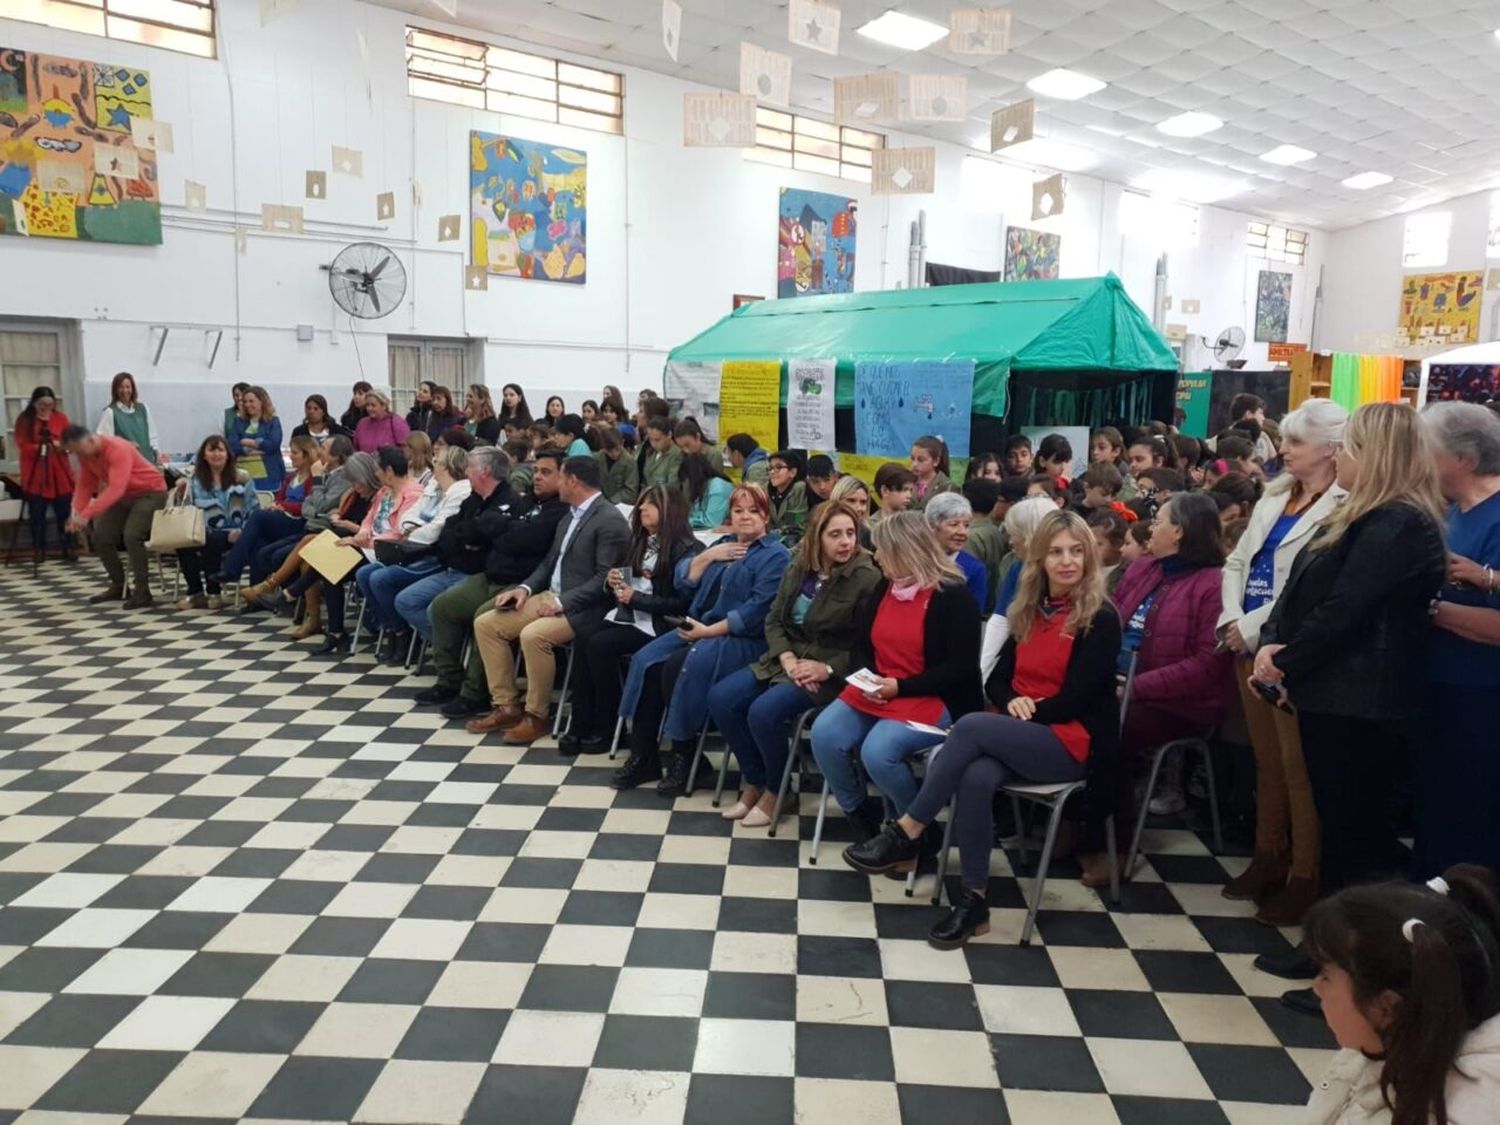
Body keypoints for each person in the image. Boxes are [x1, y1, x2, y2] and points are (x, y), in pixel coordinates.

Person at [844, 510, 1122, 947]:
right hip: (1019, 729)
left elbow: (1081, 698)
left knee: (971, 725)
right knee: (975, 776)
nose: (1067, 561)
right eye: (1055, 552)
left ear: (1089, 556)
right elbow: (995, 678)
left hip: (1071, 741)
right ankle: (974, 902)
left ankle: (909, 829)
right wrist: (1011, 699)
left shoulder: (1100, 617)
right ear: (1039, 560)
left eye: (1076, 551)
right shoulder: (1031, 608)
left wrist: (1018, 712)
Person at [1254, 403, 1447, 1012]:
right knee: (1341, 834)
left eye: (1351, 448)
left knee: (1359, 842)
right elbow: (1304, 590)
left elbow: (1346, 610)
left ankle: (1361, 974)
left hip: (1366, 703)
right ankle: (1327, 952)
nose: (1341, 458)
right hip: (1337, 695)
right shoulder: (1363, 514)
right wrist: (1275, 645)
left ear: (1380, 455)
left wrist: (1286, 661)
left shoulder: (1399, 523)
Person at [1216, 398, 1347, 926]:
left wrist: (1248, 630)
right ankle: (1267, 855)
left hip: (1287, 647)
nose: (1283, 450)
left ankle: (1303, 873)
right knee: (1265, 759)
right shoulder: (1275, 495)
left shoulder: (1343, 504)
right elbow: (1238, 560)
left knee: (1298, 768)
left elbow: (1305, 587)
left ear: (1331, 450)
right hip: (1242, 639)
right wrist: (1231, 620)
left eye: (1295, 442)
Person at [809, 512, 982, 841]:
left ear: (906, 551)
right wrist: (868, 678)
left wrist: (899, 687)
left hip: (931, 696)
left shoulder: (954, 598)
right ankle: (859, 812)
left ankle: (914, 831)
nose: (875, 557)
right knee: (825, 733)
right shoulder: (885, 587)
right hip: (881, 688)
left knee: (878, 752)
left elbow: (959, 670)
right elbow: (861, 645)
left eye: (882, 550)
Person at [707, 501, 882, 827]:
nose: (845, 542)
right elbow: (774, 619)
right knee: (721, 699)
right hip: (786, 660)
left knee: (763, 712)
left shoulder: (867, 577)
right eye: (835, 535)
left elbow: (867, 645)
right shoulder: (800, 565)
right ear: (817, 538)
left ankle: (778, 790)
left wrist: (826, 668)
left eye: (850, 533)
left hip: (832, 671)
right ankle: (754, 780)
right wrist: (786, 657)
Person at [613, 484, 791, 795]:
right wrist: (708, 555)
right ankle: (643, 754)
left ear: (767, 516)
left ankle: (686, 755)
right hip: (699, 627)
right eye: (738, 511)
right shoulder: (723, 544)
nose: (745, 517)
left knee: (678, 666)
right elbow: (685, 581)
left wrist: (706, 632)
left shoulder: (775, 556)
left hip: (743, 639)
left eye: (754, 511)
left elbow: (754, 612)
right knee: (646, 661)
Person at [1303, 866, 1500, 1125]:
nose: (1316, 987)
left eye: (1326, 976)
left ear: (1386, 1007)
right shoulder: (1383, 1040)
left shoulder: (1458, 1111)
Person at [466, 455, 628, 744]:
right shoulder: (570, 515)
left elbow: (606, 578)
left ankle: (537, 715)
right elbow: (548, 562)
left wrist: (563, 602)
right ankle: (506, 705)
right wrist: (525, 589)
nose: (546, 480)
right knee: (487, 624)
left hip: (583, 607)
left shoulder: (609, 520)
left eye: (560, 476)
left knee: (533, 636)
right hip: (549, 595)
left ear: (573, 481)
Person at [1110, 492, 1232, 849]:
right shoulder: (1143, 568)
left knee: (1107, 726)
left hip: (1178, 703)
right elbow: (1108, 622)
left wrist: (1134, 687)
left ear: (1179, 531)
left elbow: (1206, 666)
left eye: (1160, 521)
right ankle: (1065, 823)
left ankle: (1113, 839)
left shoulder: (1213, 584)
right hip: (1119, 684)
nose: (1151, 530)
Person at [1417, 403, 1500, 878]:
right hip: (1439, 687)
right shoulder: (1448, 512)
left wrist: (1429, 609)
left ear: (1463, 459)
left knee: (1472, 822)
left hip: (1483, 697)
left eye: (1428, 451)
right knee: (1437, 813)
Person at [422, 449, 568, 717]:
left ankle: (475, 693)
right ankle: (449, 679)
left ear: (565, 477)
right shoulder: (526, 503)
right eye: (535, 470)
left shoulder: (560, 511)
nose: (537, 477)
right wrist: (504, 528)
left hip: (522, 583)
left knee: (484, 617)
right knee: (443, 606)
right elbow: (494, 533)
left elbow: (528, 541)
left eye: (546, 472)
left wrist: (501, 527)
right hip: (491, 574)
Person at [561, 485, 700, 756]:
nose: (641, 508)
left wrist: (635, 598)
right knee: (583, 636)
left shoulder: (687, 549)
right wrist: (613, 581)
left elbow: (681, 604)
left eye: (650, 504)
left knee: (600, 645)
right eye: (641, 503)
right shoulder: (639, 539)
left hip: (658, 623)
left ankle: (609, 723)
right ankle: (581, 721)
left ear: (669, 510)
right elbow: (627, 580)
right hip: (629, 615)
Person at [302, 445, 425, 656]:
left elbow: (400, 533)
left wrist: (364, 540)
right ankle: (338, 632)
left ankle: (395, 630)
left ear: (388, 471)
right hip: (372, 546)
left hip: (392, 551)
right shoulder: (385, 492)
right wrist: (363, 533)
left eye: (378, 469)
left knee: (338, 563)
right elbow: (369, 519)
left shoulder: (413, 493)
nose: (375, 473)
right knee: (332, 570)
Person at [357, 443, 472, 662]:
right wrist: (414, 528)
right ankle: (393, 629)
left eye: (437, 461)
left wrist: (414, 530)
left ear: (447, 467)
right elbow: (404, 520)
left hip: (430, 557)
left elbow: (433, 532)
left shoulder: (460, 492)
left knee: (380, 578)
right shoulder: (432, 487)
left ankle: (406, 635)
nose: (433, 464)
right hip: (409, 550)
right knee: (365, 574)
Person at [393, 445, 517, 645]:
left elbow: (480, 538)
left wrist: (465, 535)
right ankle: (451, 647)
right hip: (451, 567)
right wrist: (464, 538)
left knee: (438, 609)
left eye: (469, 467)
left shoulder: (508, 501)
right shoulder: (472, 499)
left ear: (484, 471)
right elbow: (448, 532)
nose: (465, 471)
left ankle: (452, 651)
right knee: (406, 601)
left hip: (476, 574)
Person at [233, 437, 355, 608]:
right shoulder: (322, 473)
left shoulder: (341, 477)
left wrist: (318, 482)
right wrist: (316, 508)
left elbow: (319, 504)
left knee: (264, 526)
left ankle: (274, 590)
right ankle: (270, 594)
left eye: (324, 448)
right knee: (263, 549)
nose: (319, 451)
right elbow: (308, 505)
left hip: (322, 531)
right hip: (309, 525)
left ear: (336, 455)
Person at [62, 424, 168, 607]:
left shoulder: (117, 448)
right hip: (125, 495)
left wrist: (87, 514)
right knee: (101, 535)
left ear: (90, 440)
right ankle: (119, 585)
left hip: (150, 492)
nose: (78, 456)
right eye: (73, 452)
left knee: (132, 535)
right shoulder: (85, 455)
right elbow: (86, 484)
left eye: (78, 450)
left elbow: (116, 488)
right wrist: (76, 513)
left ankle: (142, 591)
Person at [217, 435, 318, 592]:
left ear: (306, 455)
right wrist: (275, 505)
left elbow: (308, 506)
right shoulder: (291, 477)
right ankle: (255, 596)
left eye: (295, 453)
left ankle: (232, 568)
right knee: (259, 541)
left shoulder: (313, 479)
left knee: (258, 516)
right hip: (283, 518)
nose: (291, 456)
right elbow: (279, 498)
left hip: (298, 522)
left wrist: (282, 506)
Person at [173, 435, 257, 610]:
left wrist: (243, 531)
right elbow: (187, 510)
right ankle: (195, 592)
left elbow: (253, 508)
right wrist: (181, 492)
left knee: (211, 541)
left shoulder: (242, 478)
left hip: (236, 532)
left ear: (227, 454)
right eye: (212, 450)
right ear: (204, 455)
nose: (216, 454)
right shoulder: (194, 481)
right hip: (203, 531)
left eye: (220, 450)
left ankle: (214, 591)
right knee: (185, 543)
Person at [14, 386, 74, 560]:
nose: (46, 408)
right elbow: (22, 445)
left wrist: (61, 445)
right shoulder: (25, 420)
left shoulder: (61, 418)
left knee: (64, 510)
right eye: (42, 404)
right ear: (34, 403)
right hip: (36, 474)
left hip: (59, 473)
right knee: (37, 513)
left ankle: (67, 547)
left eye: (49, 404)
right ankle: (39, 549)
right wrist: (41, 447)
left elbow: (70, 441)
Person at [924, 492, 987, 610]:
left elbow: (973, 615)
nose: (962, 532)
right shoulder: (915, 559)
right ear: (932, 526)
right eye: (954, 524)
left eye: (967, 525)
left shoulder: (974, 568)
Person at [96, 372, 166, 466]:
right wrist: (124, 445)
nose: (125, 390)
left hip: (147, 462)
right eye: (121, 387)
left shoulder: (143, 409)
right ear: (115, 390)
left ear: (132, 389)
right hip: (126, 466)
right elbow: (103, 441)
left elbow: (152, 435)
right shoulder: (110, 412)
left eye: (128, 387)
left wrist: (157, 454)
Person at [228, 385, 285, 491]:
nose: (247, 404)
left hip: (269, 476)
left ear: (262, 401)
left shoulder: (273, 422)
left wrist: (250, 442)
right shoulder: (238, 422)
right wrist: (250, 449)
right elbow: (232, 445)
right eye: (245, 402)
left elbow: (273, 444)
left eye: (251, 401)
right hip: (243, 476)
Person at [767, 449, 809, 540]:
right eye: (770, 468)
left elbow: (797, 527)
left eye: (778, 467)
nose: (772, 472)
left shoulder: (799, 488)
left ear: (792, 472)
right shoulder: (768, 491)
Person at [1087, 508, 1129, 595]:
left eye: (1098, 544)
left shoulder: (1123, 577)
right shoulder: (1083, 568)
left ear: (1118, 544)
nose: (1090, 549)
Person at [353, 387, 409, 453]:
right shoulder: (362, 423)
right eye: (367, 405)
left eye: (373, 405)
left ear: (384, 406)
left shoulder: (397, 423)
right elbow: (356, 448)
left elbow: (406, 448)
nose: (369, 408)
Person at [908, 435, 956, 511]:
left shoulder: (948, 487)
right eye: (912, 459)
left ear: (936, 461)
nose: (914, 464)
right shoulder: (906, 481)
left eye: (921, 460)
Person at [595, 426, 639, 504]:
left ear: (622, 442)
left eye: (617, 449)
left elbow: (631, 492)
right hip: (599, 502)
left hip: (619, 505)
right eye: (609, 451)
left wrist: (611, 501)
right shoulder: (597, 458)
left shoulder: (629, 462)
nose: (614, 454)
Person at [1231, 392, 1278, 465]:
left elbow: (1274, 462)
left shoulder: (1263, 436)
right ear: (1248, 414)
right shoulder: (1227, 438)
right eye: (1260, 413)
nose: (1263, 418)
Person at [641, 415, 683, 489]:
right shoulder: (651, 453)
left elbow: (672, 486)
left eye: (657, 440)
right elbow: (645, 481)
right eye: (650, 439)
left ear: (669, 435)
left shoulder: (677, 455)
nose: (653, 444)